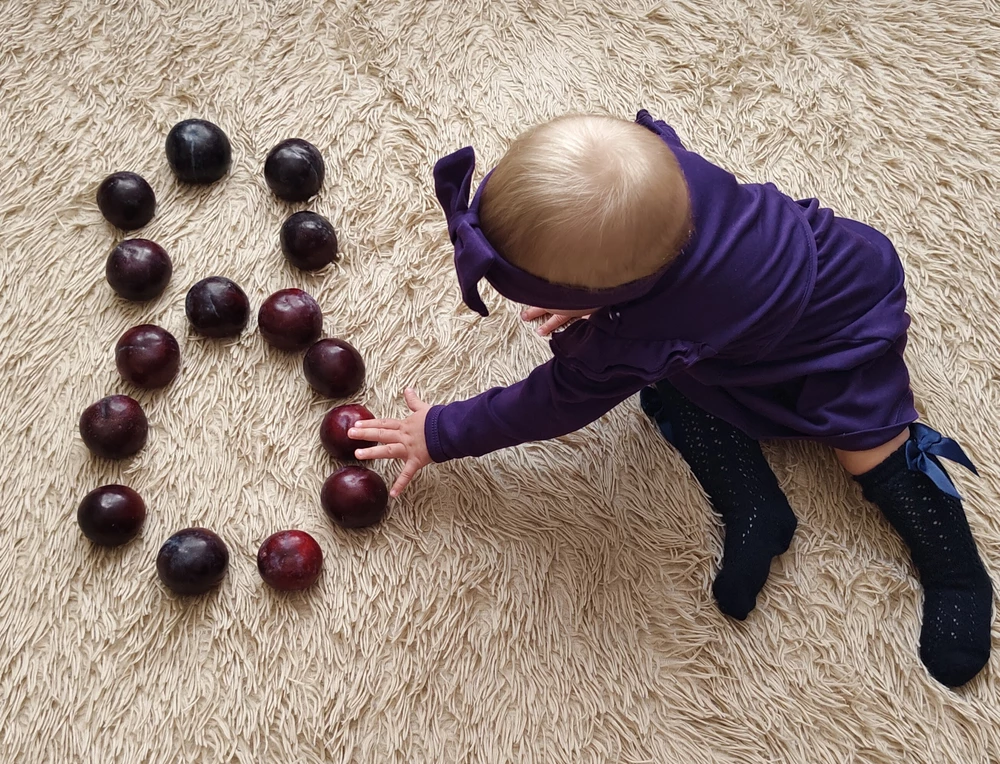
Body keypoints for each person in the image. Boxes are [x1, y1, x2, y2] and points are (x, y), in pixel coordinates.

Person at [348, 110, 993, 688]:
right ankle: (757, 506)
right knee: (676, 382)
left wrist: (439, 432)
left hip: (838, 328)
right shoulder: (667, 176)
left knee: (869, 445)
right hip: (740, 324)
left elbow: (547, 403)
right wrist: (592, 291)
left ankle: (954, 568)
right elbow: (619, 235)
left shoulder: (634, 338)